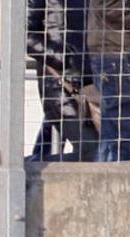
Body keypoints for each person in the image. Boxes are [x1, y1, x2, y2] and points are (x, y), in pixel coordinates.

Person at [26, 0, 99, 162]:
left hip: (99, 83)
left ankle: (32, 165)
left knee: (111, 149)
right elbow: (25, 35)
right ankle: (27, 169)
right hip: (60, 84)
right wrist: (65, 58)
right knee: (94, 152)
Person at [88, 0, 130, 161]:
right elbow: (110, 9)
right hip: (115, 54)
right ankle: (113, 182)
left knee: (115, 131)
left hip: (116, 51)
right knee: (120, 132)